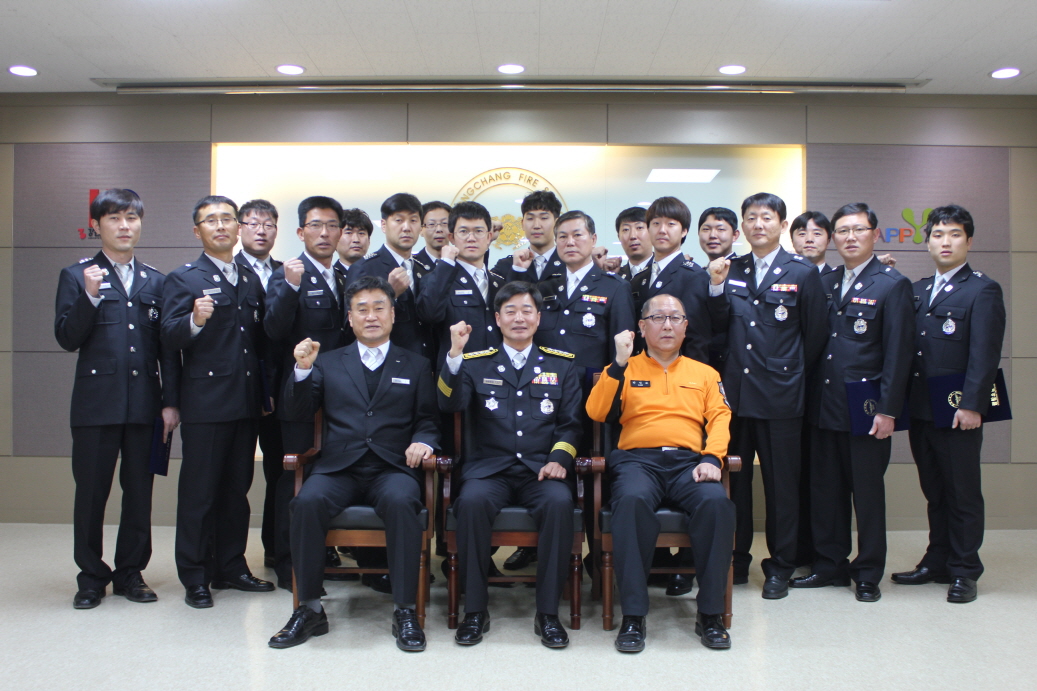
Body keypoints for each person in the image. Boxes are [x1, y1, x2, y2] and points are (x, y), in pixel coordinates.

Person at [268, 276, 440, 651]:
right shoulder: (327, 362)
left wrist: (424, 441)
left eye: (379, 307)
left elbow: (428, 418)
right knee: (306, 502)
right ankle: (309, 608)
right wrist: (301, 370)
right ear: (350, 318)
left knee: (403, 503)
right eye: (362, 309)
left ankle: (405, 610)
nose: (371, 316)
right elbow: (297, 411)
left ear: (393, 314)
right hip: (339, 468)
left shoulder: (415, 364)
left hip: (392, 468)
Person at [586, 294, 735, 652]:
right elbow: (596, 411)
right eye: (658, 318)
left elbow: (720, 418)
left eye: (675, 318)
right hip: (638, 461)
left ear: (685, 326)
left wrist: (712, 458)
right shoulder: (624, 368)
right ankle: (634, 616)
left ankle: (710, 614)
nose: (667, 325)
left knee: (716, 504)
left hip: (689, 462)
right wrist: (619, 364)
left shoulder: (705, 373)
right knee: (631, 502)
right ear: (641, 327)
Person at [437, 282, 582, 649]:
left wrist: (559, 459)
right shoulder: (474, 362)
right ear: (497, 319)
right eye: (511, 311)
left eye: (527, 310)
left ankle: (548, 613)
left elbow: (570, 424)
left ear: (539, 318)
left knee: (559, 503)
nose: (519, 318)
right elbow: (448, 405)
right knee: (470, 503)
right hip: (489, 469)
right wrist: (454, 354)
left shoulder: (561, 364)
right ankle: (475, 611)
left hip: (541, 469)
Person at [55, 188, 180, 609]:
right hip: (96, 406)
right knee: (91, 494)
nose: (124, 226)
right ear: (96, 225)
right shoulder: (77, 275)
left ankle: (130, 572)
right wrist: (89, 297)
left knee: (139, 493)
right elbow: (66, 338)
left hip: (145, 405)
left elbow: (167, 349)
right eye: (114, 218)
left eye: (131, 218)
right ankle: (91, 577)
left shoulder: (156, 281)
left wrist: (170, 402)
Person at [792, 203, 914, 602]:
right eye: (842, 230)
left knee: (867, 495)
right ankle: (829, 565)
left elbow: (899, 353)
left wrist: (889, 409)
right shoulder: (824, 282)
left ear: (875, 235)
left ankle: (868, 572)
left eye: (858, 230)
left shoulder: (891, 284)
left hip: (866, 408)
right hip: (824, 404)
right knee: (825, 493)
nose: (849, 237)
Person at [161, 195, 274, 608]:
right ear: (198, 231)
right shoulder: (184, 279)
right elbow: (168, 338)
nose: (221, 226)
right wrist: (194, 320)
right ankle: (195, 575)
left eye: (228, 218)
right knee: (200, 493)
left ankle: (231, 566)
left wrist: (265, 395)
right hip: (206, 403)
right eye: (211, 220)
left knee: (236, 491)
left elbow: (257, 345)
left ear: (238, 228)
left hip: (245, 402)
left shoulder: (249, 277)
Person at [509, 210, 635, 572]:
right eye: (562, 236)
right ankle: (536, 550)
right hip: (546, 400)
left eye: (577, 235)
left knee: (597, 478)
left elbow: (623, 351)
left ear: (593, 240)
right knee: (546, 471)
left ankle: (597, 555)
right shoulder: (544, 286)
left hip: (595, 401)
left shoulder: (614, 287)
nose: (569, 242)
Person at [892, 204, 1006, 603]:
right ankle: (937, 559)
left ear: (968, 241)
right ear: (927, 242)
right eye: (938, 235)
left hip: (959, 410)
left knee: (962, 493)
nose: (945, 242)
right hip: (922, 408)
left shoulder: (982, 289)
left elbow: (985, 354)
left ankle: (964, 569)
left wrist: (973, 405)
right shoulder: (918, 289)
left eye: (955, 234)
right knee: (935, 490)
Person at [717, 192, 828, 597]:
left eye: (766, 217)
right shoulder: (732, 269)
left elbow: (814, 337)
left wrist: (789, 372)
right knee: (735, 484)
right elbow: (720, 327)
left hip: (781, 396)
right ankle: (736, 559)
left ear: (782, 225)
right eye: (751, 217)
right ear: (742, 227)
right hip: (736, 396)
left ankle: (781, 565)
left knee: (782, 487)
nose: (758, 224)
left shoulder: (802, 272)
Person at [262, 196, 350, 587]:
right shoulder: (287, 274)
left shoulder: (345, 277)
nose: (324, 233)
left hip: (342, 397)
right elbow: (273, 330)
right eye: (316, 225)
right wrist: (290, 288)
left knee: (332, 477)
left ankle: (325, 556)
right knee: (294, 478)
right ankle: (288, 563)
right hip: (300, 396)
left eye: (332, 225)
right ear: (300, 232)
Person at [234, 199, 284, 571]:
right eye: (253, 223)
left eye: (268, 224)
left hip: (281, 388)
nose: (261, 230)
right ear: (240, 229)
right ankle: (226, 560)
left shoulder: (286, 272)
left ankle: (276, 550)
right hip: (237, 387)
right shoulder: (227, 270)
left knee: (280, 473)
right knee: (236, 476)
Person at [629, 196, 729, 365]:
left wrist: (692, 377)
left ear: (684, 231)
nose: (662, 230)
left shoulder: (694, 276)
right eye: (656, 223)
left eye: (671, 224)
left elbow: (698, 338)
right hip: (640, 369)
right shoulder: (639, 278)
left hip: (677, 371)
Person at [416, 201, 503, 360]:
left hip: (497, 370)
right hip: (457, 371)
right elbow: (430, 314)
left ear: (489, 236)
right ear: (451, 237)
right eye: (463, 231)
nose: (471, 238)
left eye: (478, 231)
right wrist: (446, 263)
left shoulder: (499, 283)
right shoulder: (438, 279)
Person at [348, 193, 429, 357]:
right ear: (384, 225)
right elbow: (350, 326)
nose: (406, 228)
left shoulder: (424, 268)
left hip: (425, 361)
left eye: (413, 221)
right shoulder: (364, 268)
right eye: (399, 220)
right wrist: (390, 293)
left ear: (421, 227)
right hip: (386, 362)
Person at [493, 191, 566, 282]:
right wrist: (487, 237)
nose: (536, 225)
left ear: (557, 224)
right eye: (530, 218)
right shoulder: (507, 265)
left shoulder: (570, 263)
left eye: (544, 218)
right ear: (522, 224)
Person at [790, 211, 835, 275]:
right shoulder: (782, 278)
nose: (809, 239)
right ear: (792, 240)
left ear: (828, 241)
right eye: (802, 234)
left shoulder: (836, 279)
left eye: (817, 234)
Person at [335, 207, 373, 279]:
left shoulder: (378, 275)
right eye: (349, 233)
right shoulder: (330, 277)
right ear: (336, 240)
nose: (356, 240)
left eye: (361, 233)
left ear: (369, 241)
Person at [415, 200, 452, 272]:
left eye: (444, 223)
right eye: (431, 224)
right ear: (421, 229)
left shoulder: (462, 263)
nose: (439, 229)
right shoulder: (414, 264)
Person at [615, 207, 651, 280]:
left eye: (639, 228)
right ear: (619, 237)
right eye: (626, 230)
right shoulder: (616, 275)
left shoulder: (662, 271)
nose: (632, 236)